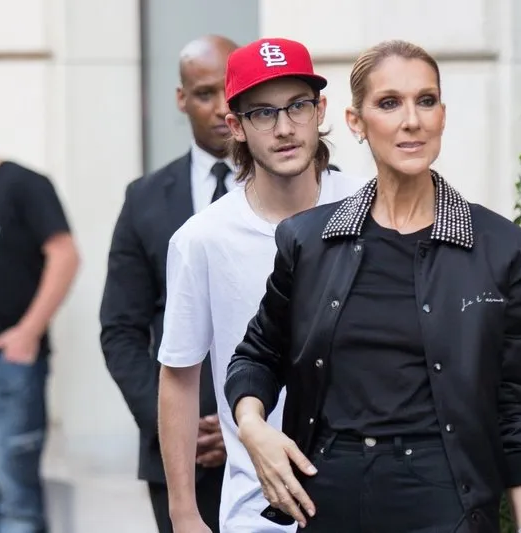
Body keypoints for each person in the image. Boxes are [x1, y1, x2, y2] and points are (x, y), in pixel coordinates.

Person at [224, 39, 521, 533]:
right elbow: (257, 355)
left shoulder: (504, 250)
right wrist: (252, 428)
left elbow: (512, 402)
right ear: (356, 122)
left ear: (442, 114)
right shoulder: (309, 241)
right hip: (329, 496)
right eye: (389, 103)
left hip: (446, 498)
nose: (411, 120)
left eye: (426, 100)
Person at [156, 37, 365, 533]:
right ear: (237, 127)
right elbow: (179, 376)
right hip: (256, 511)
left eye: (297, 106)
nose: (285, 128)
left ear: (321, 111)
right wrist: (183, 513)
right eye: (264, 113)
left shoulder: (368, 210)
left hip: (366, 499)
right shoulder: (201, 239)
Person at [99, 35, 238, 532]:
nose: (223, 107)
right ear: (182, 99)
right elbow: (120, 329)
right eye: (205, 93)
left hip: (279, 438)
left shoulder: (296, 189)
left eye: (232, 89)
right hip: (177, 455)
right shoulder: (144, 200)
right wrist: (170, 428)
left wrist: (245, 426)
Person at [0, 94, 80, 532]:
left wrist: (28, 332)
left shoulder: (24, 184)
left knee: (17, 504)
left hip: (4, 367)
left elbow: (65, 256)